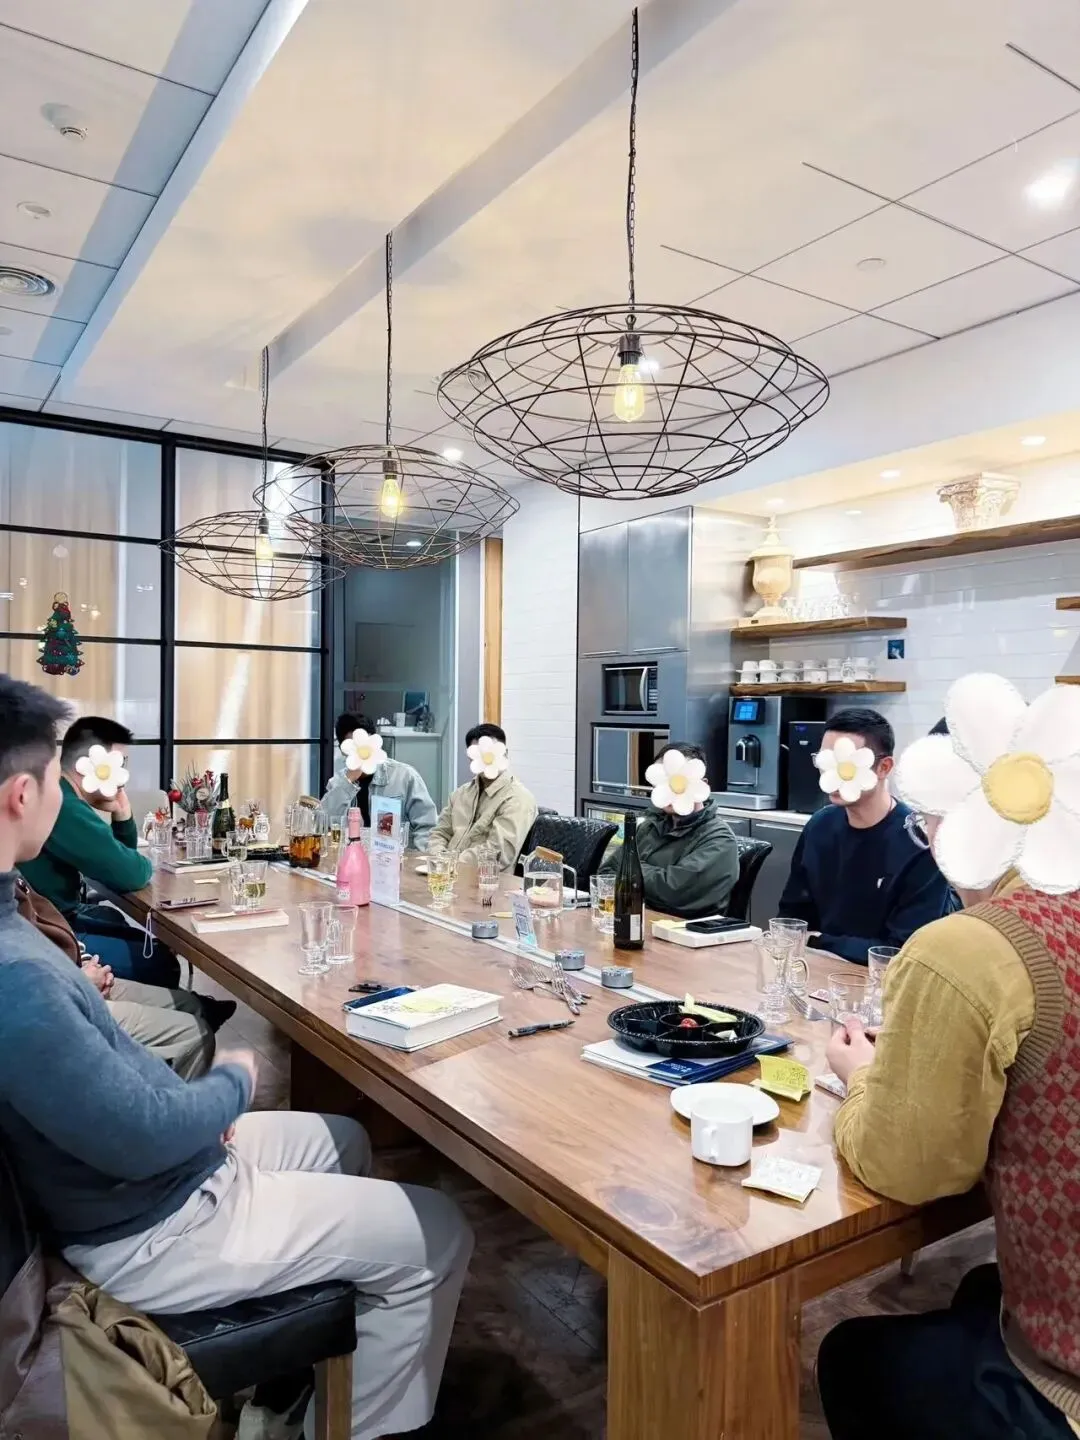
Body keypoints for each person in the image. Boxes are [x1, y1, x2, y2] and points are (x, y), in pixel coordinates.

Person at [0, 673, 473, 1440]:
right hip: (146, 1227)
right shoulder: (16, 974)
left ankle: (288, 1393)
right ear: (22, 795)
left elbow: (114, 1092)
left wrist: (192, 1113)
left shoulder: (14, 930)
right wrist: (226, 1087)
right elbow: (137, 1135)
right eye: (58, 777)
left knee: (344, 1140)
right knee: (440, 1229)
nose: (65, 794)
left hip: (149, 1177)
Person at [819, 672, 1080, 1440]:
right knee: (978, 1291)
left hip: (1065, 1383)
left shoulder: (968, 950)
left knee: (851, 1355)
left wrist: (861, 1078)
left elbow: (909, 1168)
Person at [777, 706, 955, 963]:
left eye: (845, 764)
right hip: (814, 968)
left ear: (884, 767)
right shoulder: (819, 826)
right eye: (826, 761)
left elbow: (900, 950)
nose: (832, 774)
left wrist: (819, 940)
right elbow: (791, 920)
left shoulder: (919, 841)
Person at [19, 715, 180, 986]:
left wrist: (122, 812)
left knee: (124, 926)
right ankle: (187, 1008)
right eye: (119, 764)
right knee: (161, 962)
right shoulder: (65, 806)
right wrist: (136, 858)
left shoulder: (63, 794)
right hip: (46, 930)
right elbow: (131, 874)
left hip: (51, 916)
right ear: (87, 765)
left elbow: (120, 860)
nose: (124, 776)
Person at [16, 873, 223, 1079]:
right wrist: (77, 983)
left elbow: (49, 930)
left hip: (67, 972)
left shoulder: (11, 875)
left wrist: (83, 962)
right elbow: (131, 872)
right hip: (52, 1002)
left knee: (192, 1006)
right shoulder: (7, 890)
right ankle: (153, 1094)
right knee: (195, 1032)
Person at [609, 742, 739, 918]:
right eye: (663, 781)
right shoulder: (649, 826)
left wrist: (629, 870)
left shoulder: (719, 840)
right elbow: (606, 873)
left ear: (702, 784)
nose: (671, 787)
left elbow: (674, 892)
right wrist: (643, 875)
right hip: (638, 920)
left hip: (686, 930)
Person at [428, 722, 538, 870]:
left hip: (487, 879)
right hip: (445, 873)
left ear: (505, 754)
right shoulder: (460, 794)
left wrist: (451, 864)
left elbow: (499, 853)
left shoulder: (518, 799)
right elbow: (439, 833)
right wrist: (439, 858)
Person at [322, 711, 438, 848]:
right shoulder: (338, 783)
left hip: (396, 857)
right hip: (352, 856)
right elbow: (324, 824)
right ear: (344, 750)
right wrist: (348, 782)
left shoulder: (404, 776)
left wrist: (416, 857)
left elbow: (428, 827)